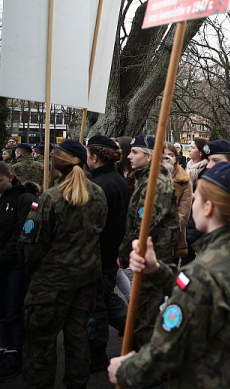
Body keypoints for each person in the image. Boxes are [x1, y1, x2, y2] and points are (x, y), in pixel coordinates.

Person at [108, 162, 230, 388]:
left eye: (197, 196)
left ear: (208, 207)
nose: (193, 203)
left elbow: (166, 349)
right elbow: (201, 292)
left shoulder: (204, 271)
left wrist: (125, 370)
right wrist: (157, 270)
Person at [17, 140, 107, 388]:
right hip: (85, 279)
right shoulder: (97, 193)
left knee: (40, 346)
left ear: (58, 162)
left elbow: (31, 243)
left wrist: (30, 270)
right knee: (78, 342)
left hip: (50, 284)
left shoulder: (50, 198)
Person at [117, 135, 180, 350]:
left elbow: (144, 225)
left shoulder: (157, 183)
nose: (129, 156)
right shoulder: (145, 180)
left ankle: (151, 369)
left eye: (135, 152)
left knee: (148, 316)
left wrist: (125, 253)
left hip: (154, 256)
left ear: (150, 155)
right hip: (147, 256)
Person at [85, 136, 131, 372]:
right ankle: (134, 328)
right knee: (105, 299)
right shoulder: (117, 181)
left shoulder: (100, 186)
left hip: (99, 254)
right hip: (109, 251)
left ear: (94, 157)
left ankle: (98, 353)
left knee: (98, 306)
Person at [0, 162, 36, 382]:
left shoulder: (24, 200)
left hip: (13, 267)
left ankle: (15, 352)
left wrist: (3, 258)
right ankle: (4, 347)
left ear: (10, 177)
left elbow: (20, 236)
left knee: (13, 311)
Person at [164, 142, 193, 260]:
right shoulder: (150, 177)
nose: (166, 157)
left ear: (176, 157)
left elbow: (183, 214)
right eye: (163, 154)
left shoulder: (183, 180)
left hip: (172, 236)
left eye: (170, 154)